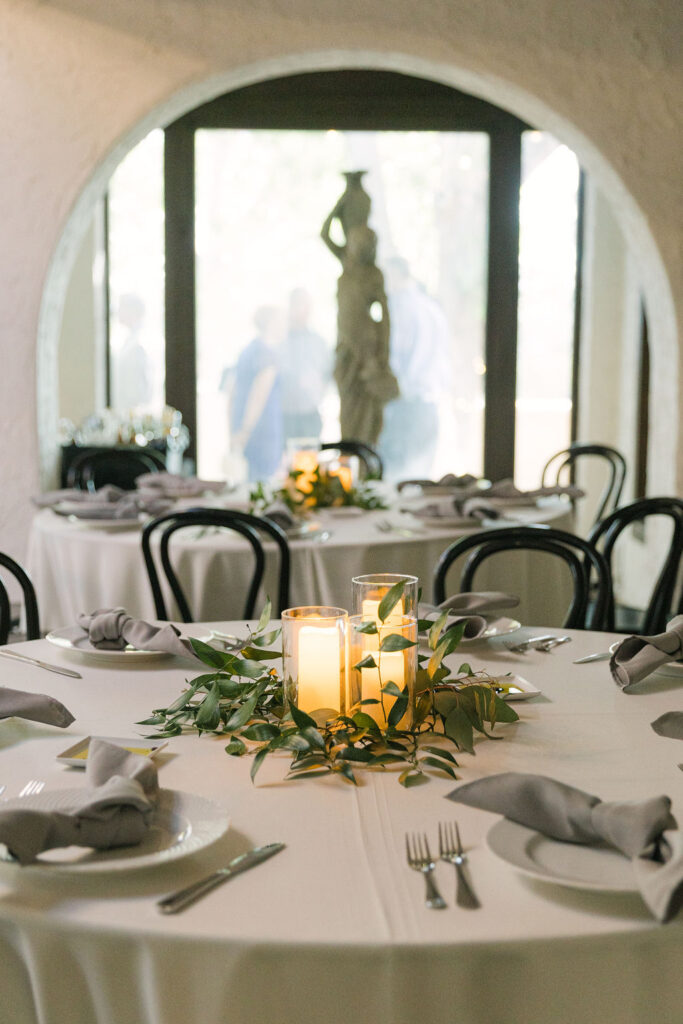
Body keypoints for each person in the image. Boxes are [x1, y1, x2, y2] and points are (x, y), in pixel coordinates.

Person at [321, 189, 398, 445]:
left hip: (366, 349)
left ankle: (363, 464)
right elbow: (324, 233)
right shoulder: (347, 264)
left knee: (366, 415)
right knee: (348, 410)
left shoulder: (373, 274)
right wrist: (342, 199)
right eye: (355, 244)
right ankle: (351, 461)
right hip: (347, 347)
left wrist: (381, 354)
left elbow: (384, 318)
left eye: (366, 245)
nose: (359, 248)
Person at [378, 257, 453, 481]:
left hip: (404, 410)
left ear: (397, 275)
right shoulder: (432, 308)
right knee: (419, 483)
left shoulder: (397, 311)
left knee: (396, 485)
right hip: (428, 409)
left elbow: (394, 360)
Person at [227, 306, 285, 481]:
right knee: (260, 486)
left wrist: (234, 431)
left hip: (245, 428)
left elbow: (231, 393)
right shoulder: (266, 354)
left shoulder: (247, 351)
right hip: (261, 433)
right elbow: (259, 395)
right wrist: (245, 430)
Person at [278, 288, 331, 444]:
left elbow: (327, 375)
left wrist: (317, 390)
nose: (305, 310)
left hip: (310, 415)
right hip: (283, 415)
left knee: (308, 463)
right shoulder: (279, 339)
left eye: (308, 305)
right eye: (300, 304)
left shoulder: (318, 342)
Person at [111, 293, 151, 411]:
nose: (117, 312)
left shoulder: (139, 343)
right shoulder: (129, 340)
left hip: (132, 408)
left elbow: (140, 388)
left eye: (122, 308)